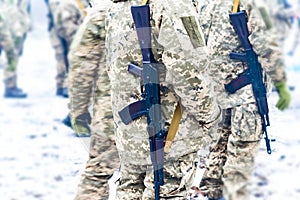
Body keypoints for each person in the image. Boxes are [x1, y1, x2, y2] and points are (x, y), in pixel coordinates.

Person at [105, 0, 222, 199]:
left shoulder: (117, 6)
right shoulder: (174, 5)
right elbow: (190, 70)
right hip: (169, 131)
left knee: (129, 189)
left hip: (130, 131)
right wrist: (210, 114)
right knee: (168, 192)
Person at [192, 0, 292, 200]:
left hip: (215, 93)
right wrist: (280, 82)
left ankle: (212, 192)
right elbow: (265, 44)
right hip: (246, 93)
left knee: (216, 147)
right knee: (241, 154)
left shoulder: (206, 3)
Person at [67, 1, 120, 199]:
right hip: (158, 108)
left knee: (98, 172)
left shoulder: (103, 12)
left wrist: (78, 111)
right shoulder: (166, 8)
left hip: (112, 109)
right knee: (142, 177)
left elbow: (82, 66)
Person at [44, 0, 86, 97]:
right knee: (68, 57)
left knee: (63, 57)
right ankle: (65, 85)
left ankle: (62, 84)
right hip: (65, 28)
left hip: (62, 26)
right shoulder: (64, 3)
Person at [0, 0, 31, 98]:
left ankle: (11, 85)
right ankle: (10, 86)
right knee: (11, 56)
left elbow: (24, 10)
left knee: (13, 56)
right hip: (9, 26)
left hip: (15, 26)